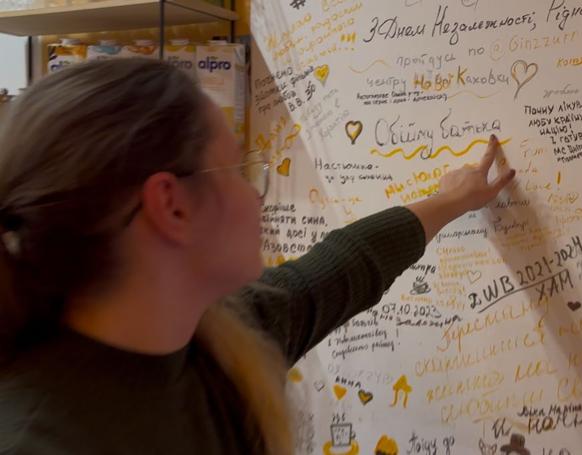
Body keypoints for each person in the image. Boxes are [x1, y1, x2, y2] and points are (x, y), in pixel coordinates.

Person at [0, 59, 515, 455]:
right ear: (170, 205)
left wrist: (454, 199)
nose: (256, 196)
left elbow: (343, 267)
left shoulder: (221, 340)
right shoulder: (37, 438)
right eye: (236, 170)